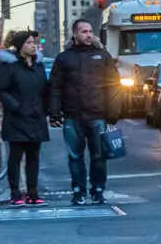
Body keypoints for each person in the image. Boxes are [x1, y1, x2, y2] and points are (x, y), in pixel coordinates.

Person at [45, 19, 117, 206]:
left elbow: (114, 86)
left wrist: (114, 112)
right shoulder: (64, 58)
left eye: (90, 31)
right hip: (72, 116)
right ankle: (78, 191)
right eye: (84, 31)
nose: (88, 35)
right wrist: (54, 113)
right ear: (75, 34)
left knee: (99, 156)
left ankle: (98, 190)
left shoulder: (103, 56)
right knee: (75, 157)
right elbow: (55, 87)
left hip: (97, 115)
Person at [0, 30, 50, 205]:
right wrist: (16, 106)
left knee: (34, 157)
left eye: (34, 42)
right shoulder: (10, 66)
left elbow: (44, 89)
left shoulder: (37, 65)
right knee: (15, 157)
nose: (34, 46)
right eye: (30, 42)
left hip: (36, 116)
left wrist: (46, 109)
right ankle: (15, 193)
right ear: (20, 46)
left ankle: (33, 192)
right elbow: (1, 90)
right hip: (17, 117)